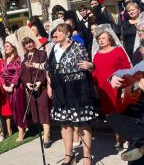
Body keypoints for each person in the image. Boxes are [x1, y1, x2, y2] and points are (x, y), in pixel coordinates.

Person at [30, 23, 98, 165]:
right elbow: (48, 68)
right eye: (54, 32)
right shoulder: (54, 49)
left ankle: (87, 157)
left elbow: (90, 65)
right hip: (60, 90)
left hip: (78, 89)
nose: (55, 34)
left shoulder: (78, 46)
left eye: (59, 32)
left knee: (83, 122)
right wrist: (35, 67)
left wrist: (90, 66)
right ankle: (69, 155)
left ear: (67, 34)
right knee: (65, 123)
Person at [83, 25, 131, 149]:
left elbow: (127, 67)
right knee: (111, 115)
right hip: (104, 90)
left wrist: (126, 85)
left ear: (110, 39)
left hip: (118, 87)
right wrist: (95, 86)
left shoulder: (118, 50)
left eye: (104, 38)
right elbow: (95, 72)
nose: (101, 40)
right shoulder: (97, 55)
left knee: (122, 112)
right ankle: (117, 137)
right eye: (99, 39)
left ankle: (126, 137)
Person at [109, 35, 144, 164]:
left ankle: (142, 144)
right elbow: (125, 72)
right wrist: (114, 76)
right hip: (143, 118)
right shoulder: (142, 66)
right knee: (113, 116)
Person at [20, 37, 51, 148]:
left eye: (30, 42)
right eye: (26, 44)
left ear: (33, 43)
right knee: (37, 112)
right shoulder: (25, 58)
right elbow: (22, 74)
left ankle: (46, 137)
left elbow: (46, 70)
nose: (29, 45)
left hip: (41, 88)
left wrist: (40, 82)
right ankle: (46, 131)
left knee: (44, 110)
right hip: (32, 90)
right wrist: (27, 83)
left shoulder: (42, 54)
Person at [1, 37, 28, 142]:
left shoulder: (17, 59)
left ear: (13, 47)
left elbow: (18, 73)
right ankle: (21, 128)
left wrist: (12, 86)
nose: (6, 48)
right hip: (7, 89)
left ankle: (21, 133)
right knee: (13, 110)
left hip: (16, 88)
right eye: (5, 47)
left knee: (18, 110)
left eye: (7, 46)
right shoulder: (4, 60)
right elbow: (2, 74)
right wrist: (4, 86)